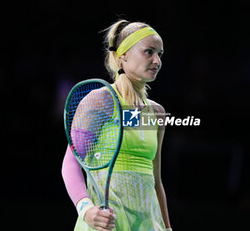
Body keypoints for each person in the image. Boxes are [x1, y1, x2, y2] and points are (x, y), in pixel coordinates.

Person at [62, 19, 172, 231]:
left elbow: (156, 180)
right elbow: (71, 163)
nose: (157, 60)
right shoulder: (101, 100)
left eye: (160, 54)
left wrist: (167, 227)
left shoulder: (157, 113)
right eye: (149, 52)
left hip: (146, 224)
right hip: (105, 224)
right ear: (123, 56)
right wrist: (86, 209)